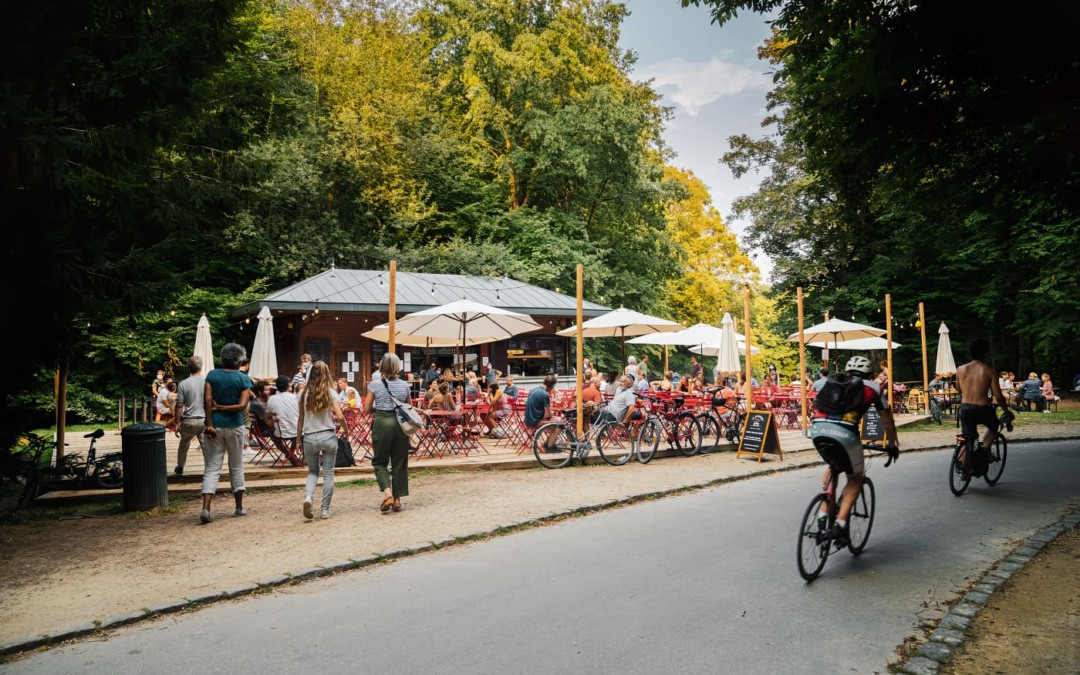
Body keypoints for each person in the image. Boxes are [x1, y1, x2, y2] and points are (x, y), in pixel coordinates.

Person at [811, 355, 899, 545]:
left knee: (834, 465)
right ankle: (840, 523)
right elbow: (887, 420)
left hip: (817, 430)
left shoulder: (831, 381)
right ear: (869, 374)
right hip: (845, 433)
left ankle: (822, 512)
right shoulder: (872, 387)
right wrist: (892, 444)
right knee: (856, 478)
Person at [201, 343, 253, 524]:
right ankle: (238, 507)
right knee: (236, 466)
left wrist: (209, 422)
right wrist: (225, 408)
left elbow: (207, 399)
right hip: (235, 426)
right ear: (240, 360)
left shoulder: (212, 375)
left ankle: (206, 508)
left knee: (212, 467)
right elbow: (241, 406)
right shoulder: (243, 379)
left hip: (214, 426)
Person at [296, 361, 347, 520]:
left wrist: (298, 440)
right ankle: (324, 510)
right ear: (326, 374)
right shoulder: (331, 393)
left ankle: (308, 497)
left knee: (312, 471)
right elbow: (339, 416)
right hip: (328, 436)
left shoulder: (302, 394)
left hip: (309, 437)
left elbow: (300, 419)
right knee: (328, 474)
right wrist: (346, 430)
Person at [364, 353, 412, 513]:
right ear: (397, 367)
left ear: (382, 366)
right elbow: (408, 408)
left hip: (382, 422)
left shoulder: (375, 385)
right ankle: (397, 500)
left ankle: (387, 493)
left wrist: (378, 408)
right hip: (400, 425)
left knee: (379, 461)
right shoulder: (405, 386)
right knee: (399, 461)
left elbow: (366, 409)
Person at [956, 339, 1014, 469]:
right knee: (994, 425)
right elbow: (998, 396)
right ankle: (984, 449)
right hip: (982, 408)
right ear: (985, 353)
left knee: (967, 436)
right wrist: (1006, 411)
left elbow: (959, 389)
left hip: (965, 408)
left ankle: (961, 467)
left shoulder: (960, 369)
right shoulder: (989, 371)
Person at [173, 356, 206, 476]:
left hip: (189, 420)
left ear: (188, 368)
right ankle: (209, 468)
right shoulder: (207, 382)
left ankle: (180, 466)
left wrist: (177, 423)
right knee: (206, 446)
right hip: (204, 420)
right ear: (201, 367)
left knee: (184, 444)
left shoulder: (183, 384)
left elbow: (179, 405)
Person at [266, 375, 300, 463]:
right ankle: (291, 454)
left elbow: (268, 415)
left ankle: (288, 453)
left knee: (272, 434)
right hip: (298, 432)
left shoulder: (271, 399)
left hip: (280, 433)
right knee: (295, 428)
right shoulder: (295, 397)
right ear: (288, 386)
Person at [525, 374, 559, 450]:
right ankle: (549, 446)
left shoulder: (534, 390)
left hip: (528, 420)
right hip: (535, 422)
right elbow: (548, 415)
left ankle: (546, 444)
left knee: (555, 420)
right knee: (559, 423)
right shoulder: (545, 394)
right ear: (553, 386)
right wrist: (552, 414)